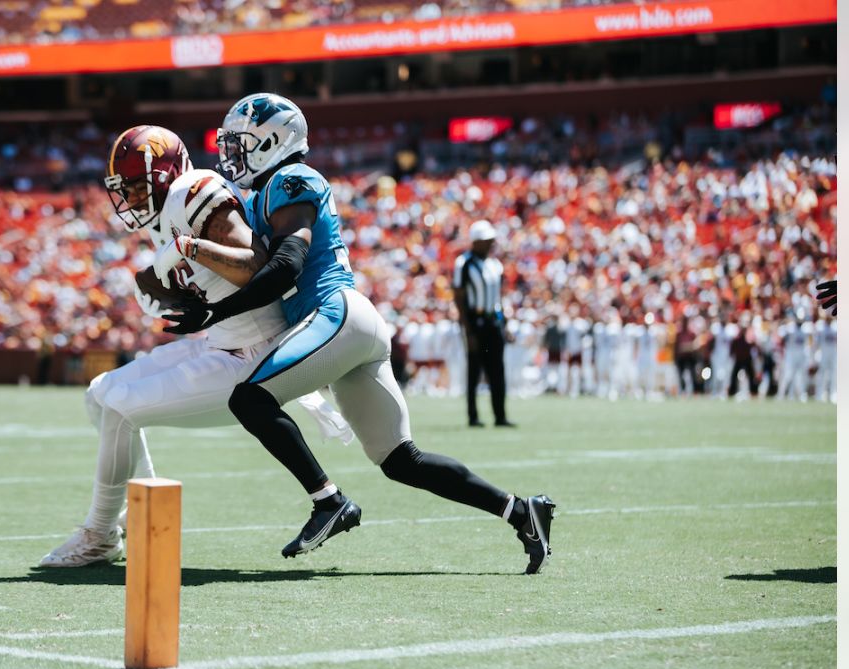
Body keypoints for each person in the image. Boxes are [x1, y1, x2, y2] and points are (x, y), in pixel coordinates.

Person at [159, 93, 555, 573]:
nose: (233, 154)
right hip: (348, 327)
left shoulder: (291, 179)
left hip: (336, 315)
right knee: (401, 461)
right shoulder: (266, 191)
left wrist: (212, 314)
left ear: (271, 141)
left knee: (249, 399)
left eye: (241, 144)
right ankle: (521, 511)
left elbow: (286, 266)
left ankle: (329, 502)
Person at [39, 125, 351, 567]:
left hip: (252, 355)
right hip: (221, 344)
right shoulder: (167, 207)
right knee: (99, 394)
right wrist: (160, 289)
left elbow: (254, 267)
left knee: (121, 407)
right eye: (122, 187)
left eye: (133, 185)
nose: (127, 197)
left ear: (165, 175)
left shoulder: (194, 190)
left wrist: (185, 249)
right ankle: (144, 510)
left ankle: (99, 534)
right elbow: (196, 281)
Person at [452, 220, 515, 427]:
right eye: (487, 240)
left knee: (498, 369)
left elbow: (498, 297)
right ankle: (473, 416)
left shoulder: (495, 264)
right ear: (476, 241)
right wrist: (467, 331)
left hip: (492, 320)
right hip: (475, 321)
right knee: (475, 369)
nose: (491, 243)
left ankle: (500, 415)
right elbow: (459, 297)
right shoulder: (464, 263)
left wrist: (504, 324)